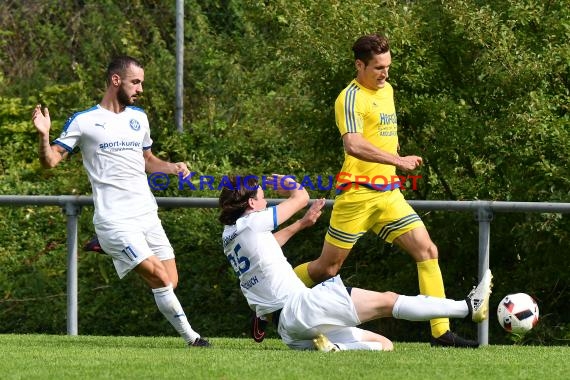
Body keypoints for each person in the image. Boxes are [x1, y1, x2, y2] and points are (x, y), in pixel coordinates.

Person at [293, 33, 480, 348]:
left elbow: (381, 136)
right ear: (359, 65)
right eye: (378, 67)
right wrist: (398, 160)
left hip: (388, 194)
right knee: (328, 268)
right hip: (357, 195)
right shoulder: (349, 97)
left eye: (388, 66)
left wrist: (395, 161)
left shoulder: (388, 89)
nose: (385, 73)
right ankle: (273, 301)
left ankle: (441, 334)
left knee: (427, 251)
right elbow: (353, 144)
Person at [32, 55, 209, 347]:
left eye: (141, 83)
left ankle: (109, 246)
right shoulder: (85, 121)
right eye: (135, 82)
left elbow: (148, 160)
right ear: (116, 80)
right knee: (161, 280)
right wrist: (44, 135)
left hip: (146, 214)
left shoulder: (139, 118)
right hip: (115, 218)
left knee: (170, 281)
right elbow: (50, 161)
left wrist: (173, 167)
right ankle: (193, 339)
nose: (140, 89)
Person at [219, 175, 492, 351]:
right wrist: (292, 185)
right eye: (262, 194)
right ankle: (467, 307)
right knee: (388, 301)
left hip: (290, 332)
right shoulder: (254, 220)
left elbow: (269, 245)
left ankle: (336, 349)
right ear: (252, 202)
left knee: (384, 345)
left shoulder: (230, 236)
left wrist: (302, 224)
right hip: (302, 307)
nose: (266, 198)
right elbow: (300, 198)